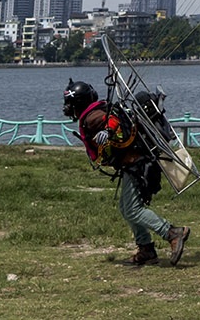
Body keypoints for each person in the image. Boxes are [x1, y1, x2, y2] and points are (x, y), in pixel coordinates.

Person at [63, 79, 191, 267]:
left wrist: (108, 131)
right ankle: (146, 249)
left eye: (70, 104)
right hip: (134, 163)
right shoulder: (94, 113)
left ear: (78, 103)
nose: (68, 108)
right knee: (126, 208)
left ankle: (172, 232)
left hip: (137, 164)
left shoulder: (93, 117)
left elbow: (115, 123)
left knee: (133, 209)